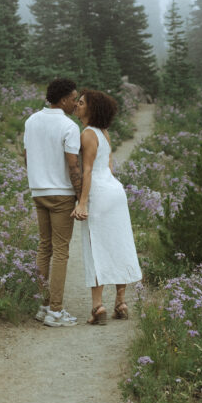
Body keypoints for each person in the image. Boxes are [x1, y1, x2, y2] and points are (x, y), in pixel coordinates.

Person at [72, 89, 142, 324]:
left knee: (96, 248)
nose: (77, 106)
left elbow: (88, 170)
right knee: (119, 243)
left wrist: (82, 202)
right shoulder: (104, 133)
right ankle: (121, 303)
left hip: (99, 194)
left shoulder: (87, 134)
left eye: (81, 103)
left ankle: (98, 308)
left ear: (91, 109)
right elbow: (109, 168)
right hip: (114, 190)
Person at [23, 78, 82, 327]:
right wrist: (80, 196)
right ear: (64, 99)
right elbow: (73, 165)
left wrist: (37, 178)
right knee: (60, 251)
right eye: (74, 99)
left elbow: (26, 155)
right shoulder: (69, 126)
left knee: (44, 247)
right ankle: (56, 311)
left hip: (39, 191)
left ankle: (43, 305)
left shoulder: (31, 121)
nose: (76, 103)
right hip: (61, 194)